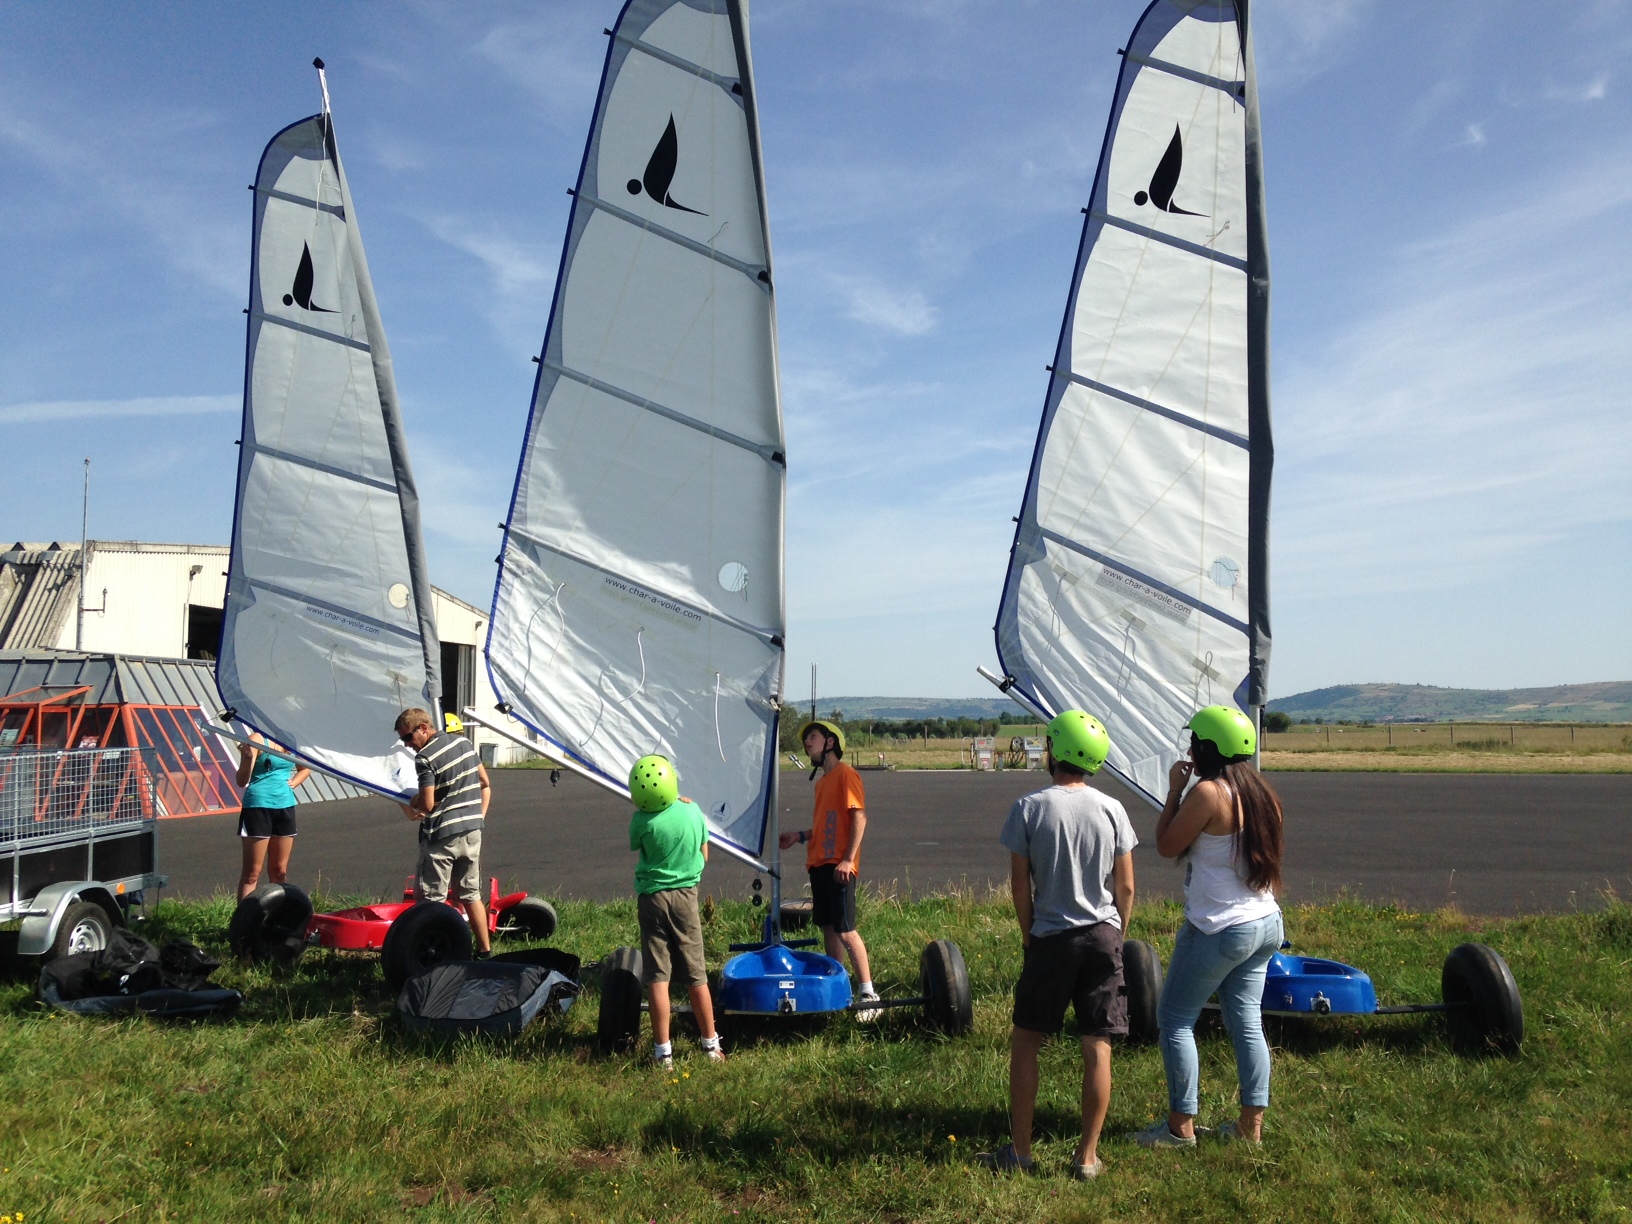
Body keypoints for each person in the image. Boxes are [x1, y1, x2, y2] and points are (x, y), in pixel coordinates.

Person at [979, 710, 1135, 1181]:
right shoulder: (1113, 809)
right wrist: (1118, 936)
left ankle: (1022, 1152)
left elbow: (1020, 884)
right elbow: (1125, 887)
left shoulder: (1029, 808)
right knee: (1098, 1044)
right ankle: (1086, 1157)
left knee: (1028, 1040)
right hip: (1103, 937)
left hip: (1051, 937)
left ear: (1054, 752)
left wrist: (1030, 934)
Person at [1135, 704, 1285, 1149]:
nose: (1189, 749)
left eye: (1194, 742)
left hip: (1220, 928)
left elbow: (1166, 845)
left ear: (1207, 748)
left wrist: (1173, 792)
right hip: (1265, 921)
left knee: (1176, 1019)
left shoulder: (1208, 794)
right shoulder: (1263, 794)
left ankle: (1180, 1128)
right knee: (1247, 1021)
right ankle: (1249, 1127)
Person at [778, 719, 879, 1017]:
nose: (807, 743)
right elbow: (825, 826)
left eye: (813, 736)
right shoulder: (822, 783)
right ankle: (838, 987)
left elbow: (859, 817)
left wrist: (848, 859)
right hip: (819, 864)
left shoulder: (847, 775)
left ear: (830, 742)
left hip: (839, 866)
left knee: (846, 930)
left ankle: (868, 993)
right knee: (828, 930)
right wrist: (800, 836)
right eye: (807, 739)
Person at [628, 754, 723, 1067]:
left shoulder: (639, 821)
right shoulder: (692, 809)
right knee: (697, 975)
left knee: (658, 977)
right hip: (685, 898)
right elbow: (705, 855)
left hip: (651, 900)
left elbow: (639, 846)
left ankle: (662, 1054)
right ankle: (710, 1047)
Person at [395, 707, 493, 956]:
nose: (407, 745)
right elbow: (484, 781)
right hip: (472, 831)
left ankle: (435, 953)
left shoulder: (425, 758)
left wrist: (413, 799)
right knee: (471, 893)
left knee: (431, 898)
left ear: (424, 728)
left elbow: (426, 804)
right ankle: (484, 951)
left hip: (442, 836)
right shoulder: (464, 743)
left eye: (408, 737)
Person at [235, 731, 310, 900]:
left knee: (279, 870)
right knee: (252, 872)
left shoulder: (290, 738)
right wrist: (247, 759)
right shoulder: (257, 739)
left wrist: (293, 783)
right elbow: (241, 780)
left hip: (285, 806)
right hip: (258, 806)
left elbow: (305, 768)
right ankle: (246, 921)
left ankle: (278, 918)